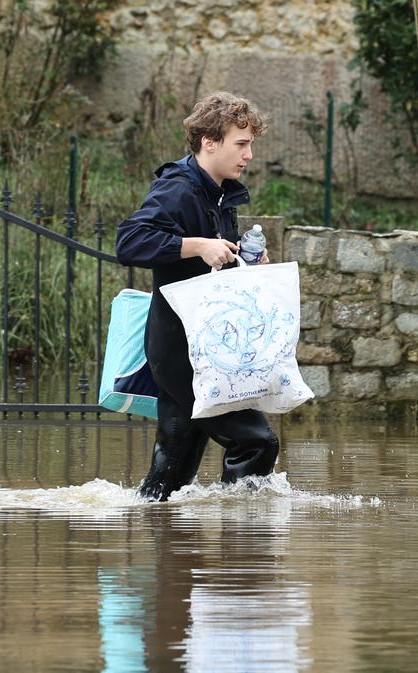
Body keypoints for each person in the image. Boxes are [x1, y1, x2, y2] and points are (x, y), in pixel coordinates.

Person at [116, 91, 280, 502]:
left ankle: (164, 545)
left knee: (171, 472)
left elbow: (209, 263)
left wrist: (242, 259)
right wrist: (199, 245)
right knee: (257, 442)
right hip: (183, 349)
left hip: (196, 343)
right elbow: (130, 241)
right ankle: (240, 550)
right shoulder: (179, 189)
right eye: (241, 144)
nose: (249, 154)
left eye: (251, 145)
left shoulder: (217, 191)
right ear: (210, 142)